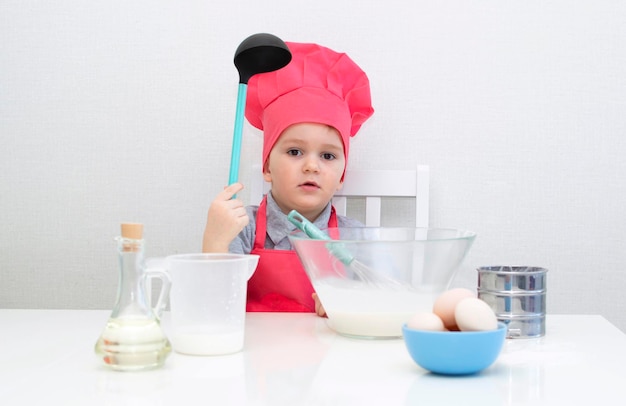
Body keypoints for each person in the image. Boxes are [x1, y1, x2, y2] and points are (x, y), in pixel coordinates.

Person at [202, 41, 374, 315]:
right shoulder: (241, 229)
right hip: (251, 355)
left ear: (342, 174)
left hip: (331, 356)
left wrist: (351, 303)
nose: (311, 166)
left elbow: (386, 299)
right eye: (295, 151)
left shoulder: (357, 238)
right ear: (268, 167)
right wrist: (214, 243)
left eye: (327, 156)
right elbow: (212, 307)